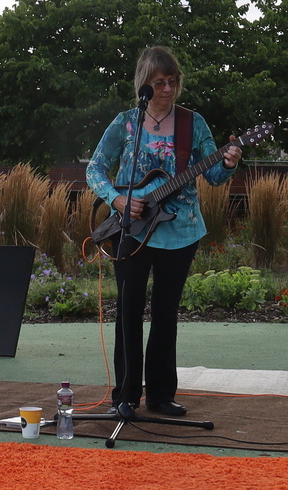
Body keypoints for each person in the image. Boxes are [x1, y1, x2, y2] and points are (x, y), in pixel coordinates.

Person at [85, 45, 241, 416]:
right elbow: (94, 169)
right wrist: (118, 200)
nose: (168, 89)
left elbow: (215, 177)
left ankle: (159, 395)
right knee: (128, 311)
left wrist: (230, 161)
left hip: (181, 231)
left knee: (166, 313)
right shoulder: (126, 123)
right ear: (144, 86)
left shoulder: (193, 123)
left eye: (173, 81)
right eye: (159, 83)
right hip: (132, 229)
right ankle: (124, 397)